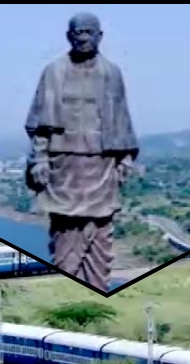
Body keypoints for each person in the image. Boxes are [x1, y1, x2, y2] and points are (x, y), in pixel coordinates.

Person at [24, 12, 139, 292]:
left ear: (100, 36)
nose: (83, 37)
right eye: (78, 32)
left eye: (89, 32)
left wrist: (124, 158)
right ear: (69, 36)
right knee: (66, 231)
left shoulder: (111, 73)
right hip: (64, 163)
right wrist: (40, 158)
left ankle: (97, 285)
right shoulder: (55, 71)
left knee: (100, 230)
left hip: (102, 163)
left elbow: (121, 119)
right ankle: (67, 287)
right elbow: (41, 123)